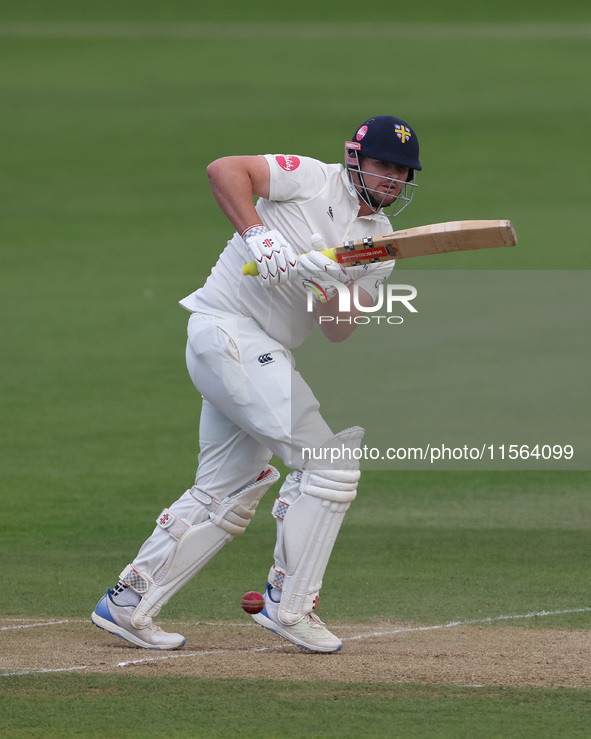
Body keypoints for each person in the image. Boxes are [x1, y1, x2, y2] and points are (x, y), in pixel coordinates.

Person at [91, 115, 422, 653]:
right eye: (384, 165)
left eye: (402, 172)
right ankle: (289, 605)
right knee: (330, 462)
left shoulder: (379, 243)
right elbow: (224, 170)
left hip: (256, 355)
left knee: (228, 489)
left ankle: (130, 600)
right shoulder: (311, 178)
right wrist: (262, 238)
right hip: (226, 329)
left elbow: (340, 330)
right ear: (354, 157)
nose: (391, 179)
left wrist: (331, 284)